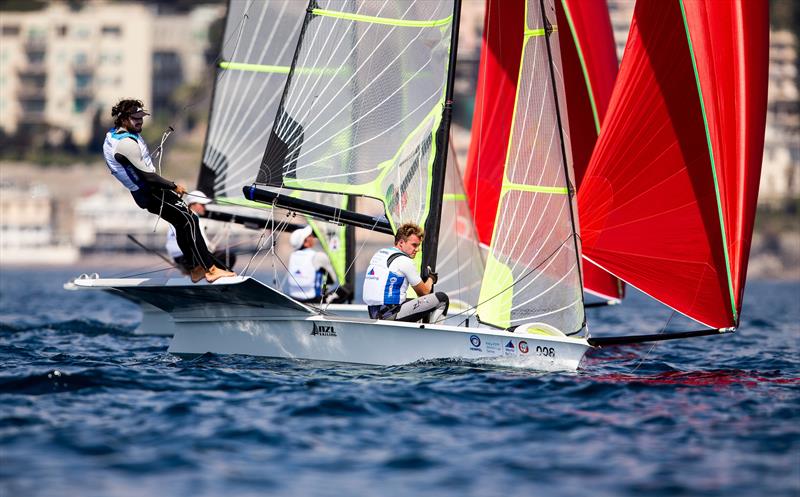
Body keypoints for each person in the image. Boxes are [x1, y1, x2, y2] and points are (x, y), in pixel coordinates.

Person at [103, 98, 234, 283]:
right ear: (123, 118)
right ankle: (210, 269)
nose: (140, 121)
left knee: (182, 223)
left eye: (141, 117)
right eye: (135, 118)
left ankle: (195, 268)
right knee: (190, 220)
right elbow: (148, 177)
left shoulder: (113, 135)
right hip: (151, 191)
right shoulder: (125, 144)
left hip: (146, 192)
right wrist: (173, 186)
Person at [362, 222, 449, 322]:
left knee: (416, 304)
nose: (417, 249)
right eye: (414, 245)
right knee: (442, 298)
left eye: (419, 246)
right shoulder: (405, 261)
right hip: (391, 315)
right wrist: (431, 279)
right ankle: (433, 336)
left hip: (374, 313)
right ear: (401, 243)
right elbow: (424, 292)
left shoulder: (380, 253)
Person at [165, 190, 237, 274]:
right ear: (193, 204)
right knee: (229, 256)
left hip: (178, 260)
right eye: (202, 205)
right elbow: (201, 244)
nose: (205, 207)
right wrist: (212, 248)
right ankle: (214, 276)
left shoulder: (179, 215)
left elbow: (171, 243)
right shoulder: (194, 218)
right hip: (189, 259)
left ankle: (199, 274)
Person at [286, 225, 351, 304]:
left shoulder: (292, 256)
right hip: (314, 301)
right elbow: (332, 280)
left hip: (294, 299)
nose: (313, 237)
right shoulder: (319, 256)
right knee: (346, 289)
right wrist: (323, 289)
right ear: (305, 242)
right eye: (310, 236)